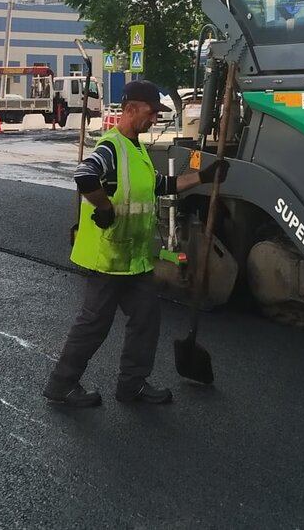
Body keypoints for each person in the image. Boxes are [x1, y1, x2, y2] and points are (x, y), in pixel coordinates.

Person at [42, 79, 230, 407]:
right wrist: (104, 206)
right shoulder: (111, 147)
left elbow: (161, 184)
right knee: (94, 325)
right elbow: (84, 176)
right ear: (130, 110)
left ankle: (132, 385)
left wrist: (203, 176)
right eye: (150, 111)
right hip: (108, 257)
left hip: (135, 258)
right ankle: (62, 384)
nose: (154, 118)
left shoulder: (138, 149)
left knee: (146, 317)